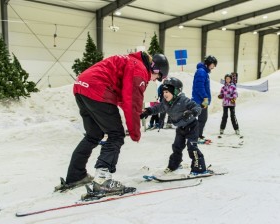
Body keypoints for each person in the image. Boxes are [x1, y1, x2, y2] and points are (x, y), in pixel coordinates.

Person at [55, 51, 169, 194]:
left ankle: (76, 175)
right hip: (97, 88)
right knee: (116, 134)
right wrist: (135, 132)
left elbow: (123, 97)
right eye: (157, 77)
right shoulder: (139, 69)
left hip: (81, 87)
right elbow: (132, 101)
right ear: (155, 69)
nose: (153, 80)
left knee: (93, 135)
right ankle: (103, 181)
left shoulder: (131, 62)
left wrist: (134, 115)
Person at [140, 77, 207, 175]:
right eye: (164, 92)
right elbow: (158, 108)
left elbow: (197, 107)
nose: (165, 94)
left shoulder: (183, 100)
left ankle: (199, 167)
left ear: (175, 91)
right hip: (180, 128)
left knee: (192, 147)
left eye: (167, 92)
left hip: (192, 126)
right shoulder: (166, 103)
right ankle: (174, 165)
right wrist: (148, 111)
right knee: (177, 147)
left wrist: (192, 112)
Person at [192, 55, 217, 142]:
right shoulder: (201, 72)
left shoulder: (204, 72)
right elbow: (199, 87)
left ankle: (198, 135)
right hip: (200, 100)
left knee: (203, 119)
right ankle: (196, 136)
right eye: (213, 65)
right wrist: (205, 97)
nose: (214, 67)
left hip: (202, 100)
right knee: (201, 119)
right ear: (209, 63)